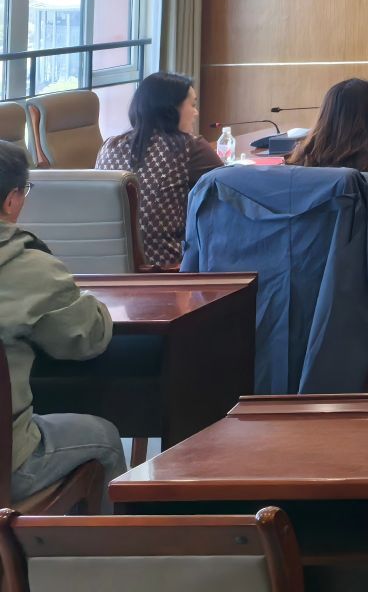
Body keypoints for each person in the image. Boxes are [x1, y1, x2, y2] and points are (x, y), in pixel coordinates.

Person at [0, 140, 125, 513]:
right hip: (10, 464)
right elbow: (88, 338)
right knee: (105, 438)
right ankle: (97, 551)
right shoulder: (29, 268)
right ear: (12, 200)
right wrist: (84, 298)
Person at [93, 70, 220, 270]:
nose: (196, 113)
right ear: (171, 109)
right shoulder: (189, 147)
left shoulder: (109, 145)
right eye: (192, 105)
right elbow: (230, 188)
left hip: (105, 268)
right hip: (165, 267)